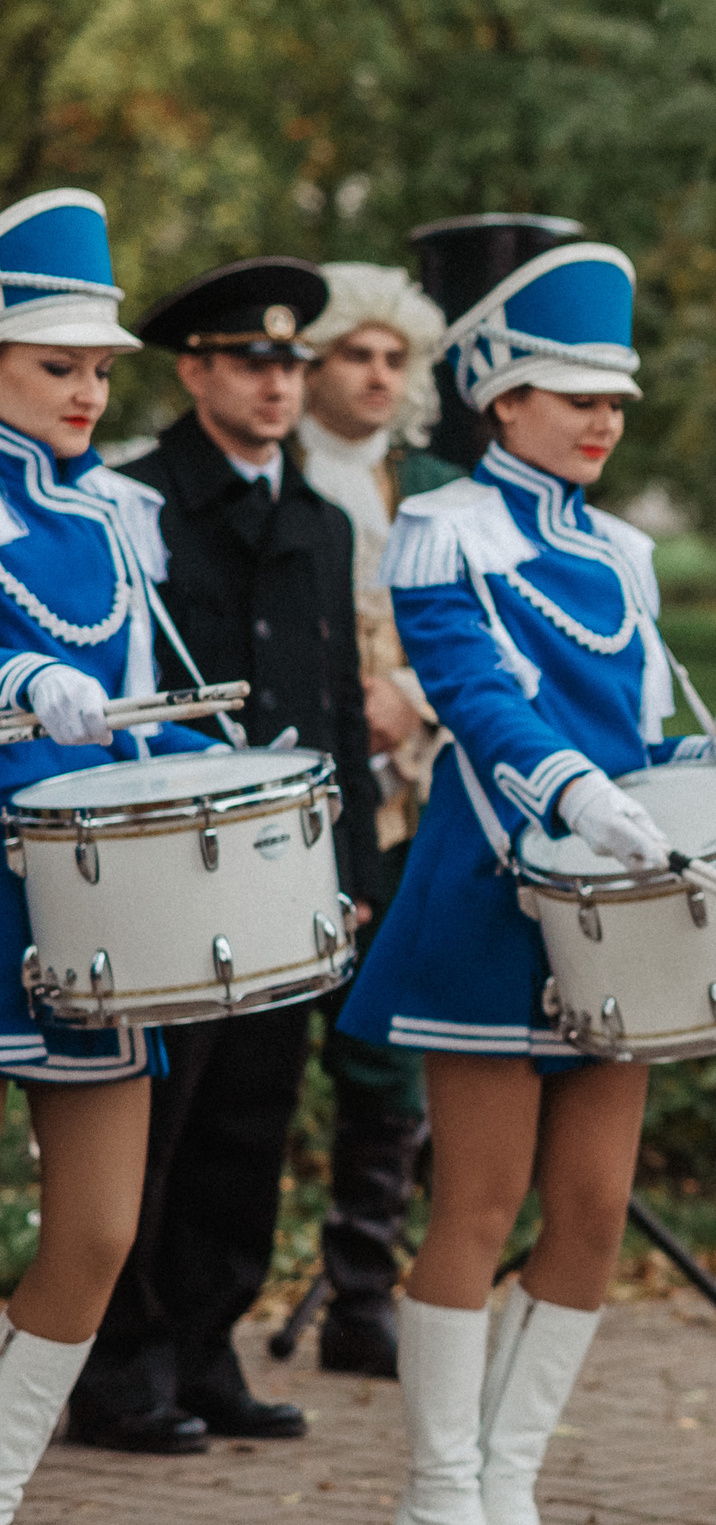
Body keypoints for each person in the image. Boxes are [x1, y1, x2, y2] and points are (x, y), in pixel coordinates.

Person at [334, 238, 716, 1525]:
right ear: (502, 397)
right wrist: (581, 792)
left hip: (616, 917)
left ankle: (506, 1474)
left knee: (588, 1215)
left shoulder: (624, 554)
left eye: (616, 400)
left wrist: (703, 756)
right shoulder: (439, 529)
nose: (602, 420)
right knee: (476, 1202)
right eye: (577, 394)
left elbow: (632, 725)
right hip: (489, 898)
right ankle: (440, 1485)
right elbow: (472, 696)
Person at [69, 256, 385, 1450]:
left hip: (288, 870)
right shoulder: (136, 499)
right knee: (162, 1113)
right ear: (195, 369)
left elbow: (343, 704)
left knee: (252, 1117)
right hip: (169, 866)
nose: (278, 382)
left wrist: (350, 867)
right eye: (252, 360)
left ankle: (207, 1349)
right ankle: (121, 1360)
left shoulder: (318, 517)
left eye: (292, 361)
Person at [0, 188, 222, 1512]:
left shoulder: (117, 523)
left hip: (88, 911)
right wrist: (24, 681)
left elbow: (136, 717)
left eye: (98, 369)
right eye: (56, 367)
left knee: (96, 1233)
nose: (88, 391)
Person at [293, 261, 456, 1376]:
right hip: (293, 796)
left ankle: (362, 1290)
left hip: (410, 797)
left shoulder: (437, 483)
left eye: (394, 358)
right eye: (356, 352)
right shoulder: (269, 475)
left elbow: (480, 621)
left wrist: (420, 698)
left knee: (385, 1052)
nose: (376, 374)